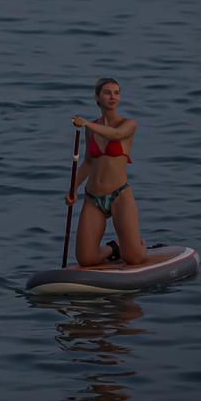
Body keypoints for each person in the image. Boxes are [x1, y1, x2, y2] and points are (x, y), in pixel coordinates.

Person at [64, 78, 146, 266]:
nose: (113, 97)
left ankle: (140, 246)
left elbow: (115, 135)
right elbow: (88, 162)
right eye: (108, 92)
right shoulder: (91, 129)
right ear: (97, 97)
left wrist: (86, 124)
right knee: (86, 259)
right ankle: (113, 248)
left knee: (133, 259)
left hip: (120, 195)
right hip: (93, 197)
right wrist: (73, 189)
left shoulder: (128, 123)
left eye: (117, 93)